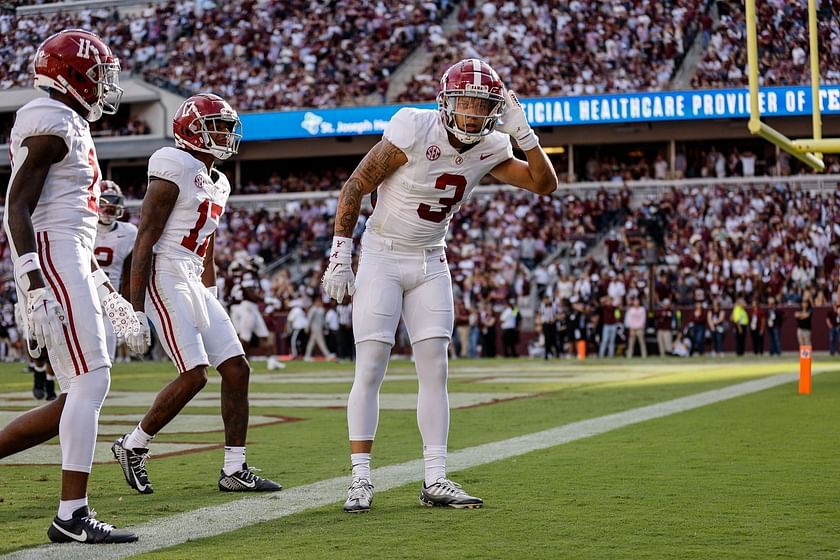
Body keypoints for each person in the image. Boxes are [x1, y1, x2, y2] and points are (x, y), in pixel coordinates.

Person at [321, 58, 557, 513]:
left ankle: (435, 478)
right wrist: (341, 252)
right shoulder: (413, 126)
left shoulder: (492, 143)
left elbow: (544, 184)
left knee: (436, 369)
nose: (471, 113)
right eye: (464, 102)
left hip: (431, 259)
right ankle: (360, 479)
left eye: (481, 105)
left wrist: (526, 135)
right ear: (446, 102)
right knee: (370, 367)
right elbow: (356, 185)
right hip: (383, 254)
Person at [0, 29, 139, 544]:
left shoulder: (68, 121)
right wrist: (31, 278)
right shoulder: (52, 120)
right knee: (90, 382)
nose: (105, 85)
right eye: (99, 74)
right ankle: (71, 515)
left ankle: (72, 511)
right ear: (73, 74)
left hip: (70, 257)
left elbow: (75, 222)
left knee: (76, 394)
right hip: (53, 258)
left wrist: (104, 288)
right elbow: (17, 205)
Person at [111, 93, 281, 495]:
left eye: (226, 127)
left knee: (237, 369)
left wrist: (212, 290)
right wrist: (134, 309)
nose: (224, 134)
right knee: (195, 375)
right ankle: (133, 445)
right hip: (164, 272)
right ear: (191, 130)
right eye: (216, 127)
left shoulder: (218, 181)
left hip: (191, 273)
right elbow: (145, 239)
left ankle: (234, 468)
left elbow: (207, 246)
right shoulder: (174, 164)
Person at [93, 181, 137, 363]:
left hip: (110, 300)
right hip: (83, 295)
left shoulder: (129, 232)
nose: (108, 212)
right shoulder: (83, 228)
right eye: (104, 207)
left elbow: (130, 272)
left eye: (112, 208)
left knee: (106, 360)